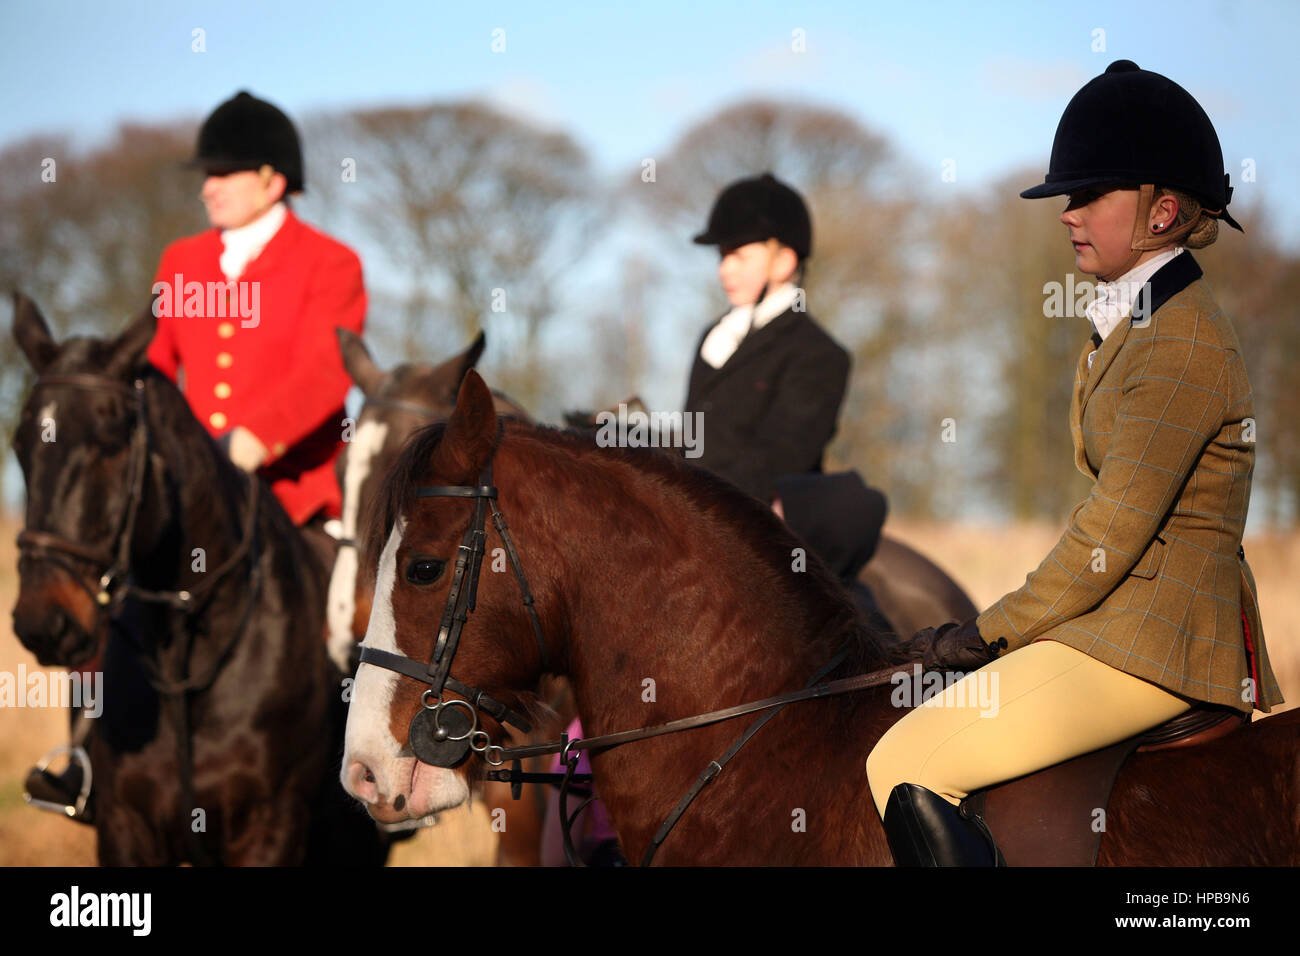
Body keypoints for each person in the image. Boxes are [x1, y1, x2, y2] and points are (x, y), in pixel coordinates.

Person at [865, 60, 1285, 866]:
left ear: (1164, 211)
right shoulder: (1135, 322)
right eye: (1068, 196)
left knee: (904, 760)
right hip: (1118, 628)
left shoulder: (1182, 342)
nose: (1069, 214)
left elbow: (1112, 530)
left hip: (1158, 645)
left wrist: (991, 631)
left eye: (1091, 195)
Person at [25, 90, 366, 822]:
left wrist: (249, 440)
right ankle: (85, 760)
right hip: (192, 509)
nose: (207, 185)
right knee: (107, 602)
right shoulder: (180, 261)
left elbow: (327, 371)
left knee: (355, 621)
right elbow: (148, 369)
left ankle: (360, 776)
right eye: (204, 173)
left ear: (273, 180)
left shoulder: (330, 264)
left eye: (225, 172)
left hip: (294, 497)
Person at [684, 172, 851, 506]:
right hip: (696, 509)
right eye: (722, 256)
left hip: (754, 520)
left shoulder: (818, 354)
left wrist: (693, 499)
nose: (723, 270)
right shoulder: (715, 337)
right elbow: (695, 441)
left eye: (739, 256)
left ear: (784, 262)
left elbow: (778, 459)